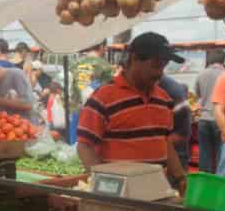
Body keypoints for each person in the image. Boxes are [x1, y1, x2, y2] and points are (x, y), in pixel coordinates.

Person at [75, 32, 188, 192]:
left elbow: (165, 142)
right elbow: (84, 146)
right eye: (155, 65)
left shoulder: (164, 100)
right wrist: (105, 186)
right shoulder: (104, 97)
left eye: (163, 66)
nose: (160, 73)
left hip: (157, 192)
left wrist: (180, 177)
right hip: (119, 197)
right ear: (134, 59)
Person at [194, 49, 225, 173]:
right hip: (221, 120)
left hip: (204, 118)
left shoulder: (201, 74)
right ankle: (219, 180)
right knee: (221, 152)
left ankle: (204, 180)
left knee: (204, 153)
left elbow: (197, 94)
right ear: (223, 60)